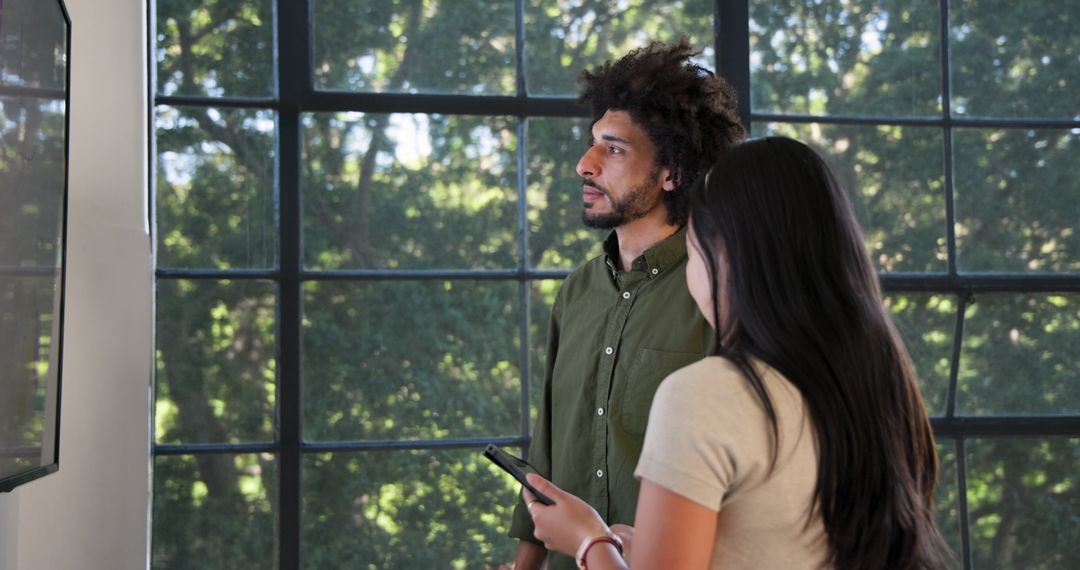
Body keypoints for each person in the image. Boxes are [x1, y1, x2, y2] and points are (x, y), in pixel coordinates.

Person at [522, 137, 951, 570]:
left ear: (723, 253)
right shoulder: (884, 388)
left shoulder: (704, 394)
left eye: (691, 247)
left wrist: (589, 541)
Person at [508, 40, 745, 570]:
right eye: (592, 143)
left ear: (672, 173)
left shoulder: (719, 292)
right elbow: (547, 448)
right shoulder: (575, 292)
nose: (584, 165)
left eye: (613, 149)